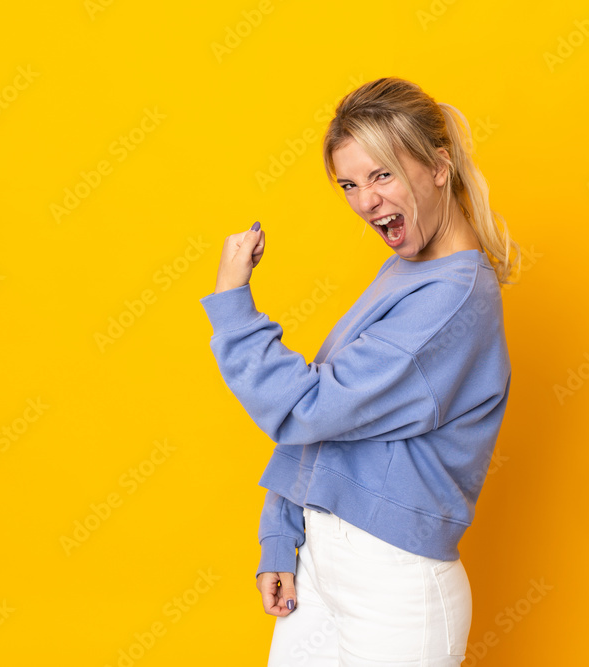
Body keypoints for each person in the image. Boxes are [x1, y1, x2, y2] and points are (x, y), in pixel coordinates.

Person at [200, 76, 520, 666]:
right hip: (324, 565)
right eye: (349, 183)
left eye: (382, 176)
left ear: (438, 167)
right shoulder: (408, 271)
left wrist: (231, 302)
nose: (365, 201)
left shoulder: (451, 298)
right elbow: (334, 419)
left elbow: (309, 407)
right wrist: (282, 531)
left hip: (395, 587)